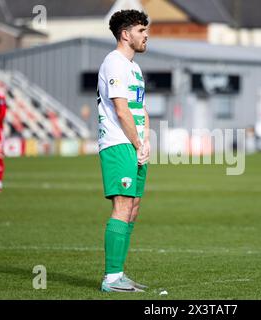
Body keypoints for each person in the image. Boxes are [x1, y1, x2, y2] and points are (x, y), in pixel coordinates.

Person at [97, 10, 150, 292]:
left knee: (133, 209)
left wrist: (146, 141)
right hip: (119, 143)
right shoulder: (114, 63)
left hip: (136, 145)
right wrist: (137, 143)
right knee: (122, 206)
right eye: (141, 31)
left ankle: (119, 273)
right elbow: (120, 109)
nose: (146, 36)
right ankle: (111, 278)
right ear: (125, 34)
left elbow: (140, 107)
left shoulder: (134, 68)